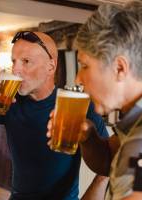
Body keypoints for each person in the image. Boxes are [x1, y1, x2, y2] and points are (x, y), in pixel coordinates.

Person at [0, 31, 108, 200]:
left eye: (26, 62)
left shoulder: (78, 104)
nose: (16, 70)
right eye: (14, 62)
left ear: (51, 66)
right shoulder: (8, 101)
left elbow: (107, 167)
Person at [47, 0, 142, 199]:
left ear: (119, 68)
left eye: (85, 66)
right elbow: (110, 159)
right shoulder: (134, 122)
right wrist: (88, 136)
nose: (77, 78)